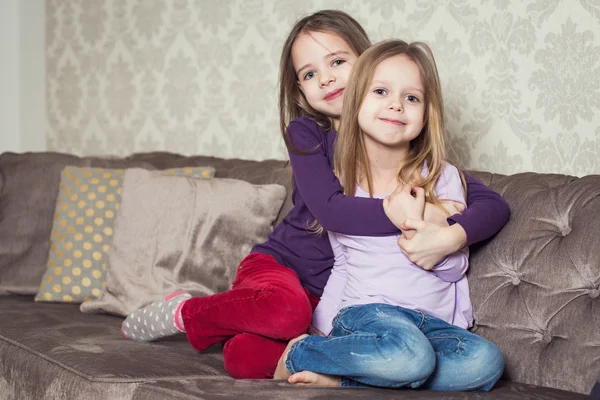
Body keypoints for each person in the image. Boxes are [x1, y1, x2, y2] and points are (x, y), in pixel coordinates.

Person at [120, 10, 510, 381]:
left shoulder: (406, 151)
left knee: (245, 357)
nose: (326, 79)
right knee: (286, 310)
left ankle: (278, 342)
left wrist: (450, 234)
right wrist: (400, 212)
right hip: (283, 268)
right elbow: (331, 211)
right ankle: (187, 312)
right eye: (310, 73)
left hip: (336, 298)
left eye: (338, 62)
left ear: (370, 64)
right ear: (301, 92)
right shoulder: (308, 135)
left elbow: (491, 205)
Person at [275, 39, 504, 391]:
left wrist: (435, 239)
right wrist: (320, 329)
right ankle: (301, 352)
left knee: (485, 363)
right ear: (355, 103)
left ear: (427, 113)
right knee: (411, 357)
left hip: (431, 324)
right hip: (369, 313)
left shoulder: (442, 177)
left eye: (411, 98)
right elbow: (344, 263)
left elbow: (456, 267)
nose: (396, 104)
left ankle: (347, 380)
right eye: (381, 91)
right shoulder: (343, 179)